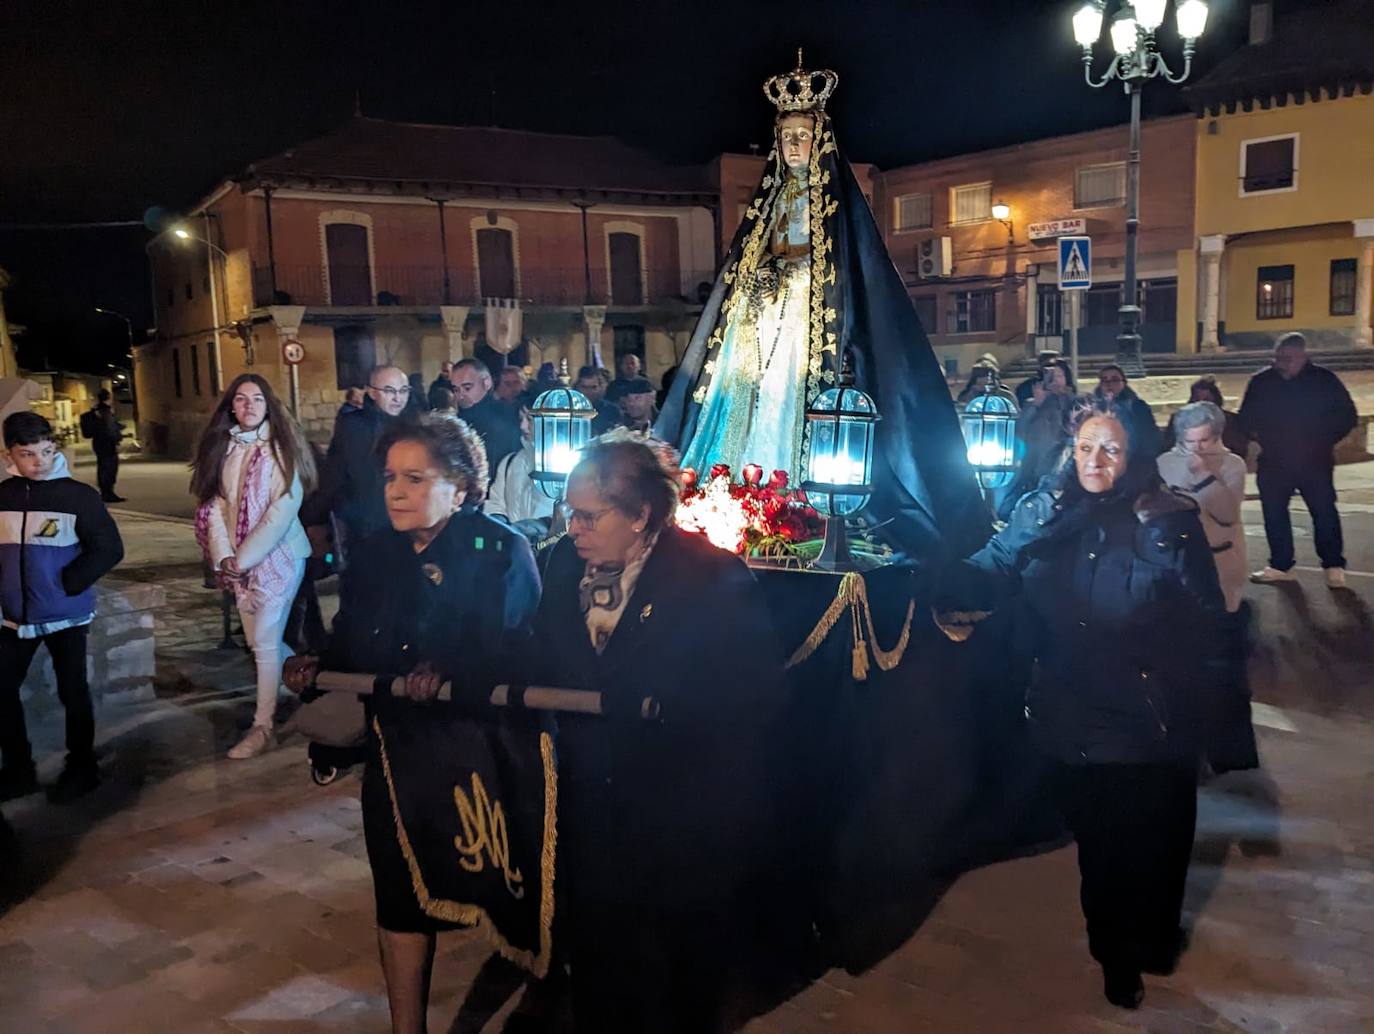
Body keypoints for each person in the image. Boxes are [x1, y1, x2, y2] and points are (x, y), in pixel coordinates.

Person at [944, 396, 1226, 1010]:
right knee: (1103, 853)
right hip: (1071, 714)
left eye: (1111, 448)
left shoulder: (1167, 519)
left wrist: (1213, 714)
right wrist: (914, 581)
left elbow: (1206, 624)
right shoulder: (1042, 512)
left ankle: (1151, 937)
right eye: (1084, 448)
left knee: (1156, 846)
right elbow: (990, 568)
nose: (1095, 460)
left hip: (1151, 718)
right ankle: (1116, 957)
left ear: (1135, 456)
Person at [657, 55, 987, 559]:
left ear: (818, 142)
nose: (792, 146)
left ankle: (794, 503)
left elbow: (846, 277)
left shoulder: (835, 205)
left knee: (792, 400)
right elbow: (748, 260)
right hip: (762, 321)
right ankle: (731, 490)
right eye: (785, 136)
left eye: (802, 136)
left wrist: (794, 276)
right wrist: (759, 277)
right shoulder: (769, 202)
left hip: (808, 329)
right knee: (743, 398)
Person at [286, 413, 539, 1034]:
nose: (395, 491)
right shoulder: (375, 554)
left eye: (415, 478)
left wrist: (449, 668)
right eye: (390, 477)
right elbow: (355, 636)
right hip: (398, 751)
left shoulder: (501, 549)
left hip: (482, 754)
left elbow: (516, 642)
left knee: (506, 885)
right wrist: (320, 666)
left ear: (462, 486)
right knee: (398, 888)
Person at [530, 437, 786, 1032]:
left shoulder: (709, 575)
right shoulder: (561, 564)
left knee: (680, 969)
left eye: (590, 516)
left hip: (681, 811)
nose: (574, 528)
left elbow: (755, 693)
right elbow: (537, 656)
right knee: (598, 961)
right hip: (591, 807)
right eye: (569, 512)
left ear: (642, 514)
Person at [191, 374, 316, 760]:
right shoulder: (224, 447)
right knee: (260, 642)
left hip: (279, 557)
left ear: (269, 405)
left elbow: (280, 512)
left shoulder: (281, 450)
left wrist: (241, 559)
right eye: (241, 400)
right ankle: (307, 683)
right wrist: (224, 556)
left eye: (257, 399)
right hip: (237, 562)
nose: (249, 406)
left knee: (263, 642)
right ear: (231, 406)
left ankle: (263, 726)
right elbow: (214, 507)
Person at [0, 412, 123, 802]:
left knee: (73, 690)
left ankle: (82, 766)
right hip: (14, 618)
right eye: (27, 454)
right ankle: (18, 769)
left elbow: (108, 549)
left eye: (45, 451)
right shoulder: (2, 497)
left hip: (66, 614)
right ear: (8, 456)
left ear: (55, 448)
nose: (38, 462)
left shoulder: (78, 497)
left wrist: (67, 584)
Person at [1239, 333, 1358, 588]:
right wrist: (1258, 436)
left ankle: (1333, 564)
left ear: (1304, 356)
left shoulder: (1324, 381)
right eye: (1278, 358)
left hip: (1314, 460)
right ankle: (1281, 565)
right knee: (1274, 513)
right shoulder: (1262, 381)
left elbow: (1347, 416)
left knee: (1324, 511)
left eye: (1288, 359)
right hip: (1274, 460)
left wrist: (1324, 440)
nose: (1281, 364)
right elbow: (1246, 417)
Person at [1157, 402, 1248, 614]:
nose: (1197, 448)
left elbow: (1227, 515)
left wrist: (1202, 476)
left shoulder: (1232, 464)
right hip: (1177, 557)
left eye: (1204, 441)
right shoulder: (1164, 462)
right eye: (1190, 441)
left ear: (1217, 435)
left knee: (1221, 620)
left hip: (1220, 556)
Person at [316, 365, 410, 554]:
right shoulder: (353, 427)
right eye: (389, 391)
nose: (398, 398)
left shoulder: (414, 426)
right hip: (365, 525)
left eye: (403, 391)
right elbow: (335, 474)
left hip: (407, 522)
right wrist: (320, 516)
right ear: (372, 393)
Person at [996, 358, 1074, 521]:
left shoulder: (1072, 402)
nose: (1054, 380)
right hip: (1033, 465)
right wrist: (1036, 404)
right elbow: (1020, 430)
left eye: (1058, 375)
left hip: (1059, 465)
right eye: (1049, 375)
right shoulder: (1033, 403)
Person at [485, 404, 555, 540]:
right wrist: (498, 526)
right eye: (521, 419)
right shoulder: (510, 461)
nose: (523, 426)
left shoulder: (570, 464)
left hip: (551, 550)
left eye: (530, 419)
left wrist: (534, 528)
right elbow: (496, 504)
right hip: (513, 548)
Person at [449, 357, 521, 471]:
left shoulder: (508, 417)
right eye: (456, 390)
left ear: (486, 383)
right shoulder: (456, 423)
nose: (460, 396)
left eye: (467, 387)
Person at [1161, 378, 1248, 459]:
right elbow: (1169, 447)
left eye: (1207, 399)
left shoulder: (1231, 421)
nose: (1202, 404)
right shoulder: (1178, 420)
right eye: (1197, 399)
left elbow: (1239, 449)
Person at [1095, 364, 1160, 455]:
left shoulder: (1138, 407)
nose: (1109, 384)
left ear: (1124, 383)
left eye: (1115, 380)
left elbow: (1149, 436)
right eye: (1104, 380)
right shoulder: (1092, 407)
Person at [81, 389, 125, 503]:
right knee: (110, 467)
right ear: (108, 397)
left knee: (103, 466)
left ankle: (105, 492)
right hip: (107, 443)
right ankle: (108, 493)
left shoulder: (96, 410)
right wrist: (117, 438)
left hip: (98, 442)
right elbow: (109, 428)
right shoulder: (105, 411)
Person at [574, 365, 621, 435]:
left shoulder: (612, 411)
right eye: (584, 387)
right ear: (577, 387)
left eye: (593, 387)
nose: (589, 392)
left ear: (600, 388)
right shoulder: (568, 410)